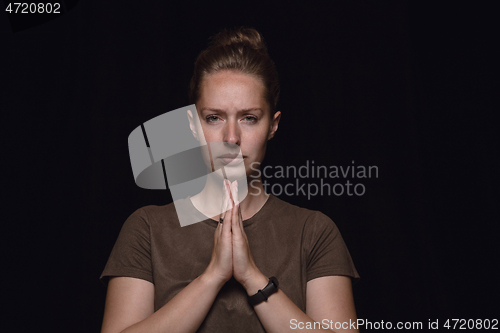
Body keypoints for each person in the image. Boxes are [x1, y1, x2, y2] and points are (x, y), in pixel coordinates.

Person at [100, 26, 360, 333]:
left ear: (273, 125)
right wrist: (213, 277)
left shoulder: (314, 232)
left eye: (249, 117)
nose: (231, 138)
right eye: (214, 117)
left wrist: (252, 277)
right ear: (193, 124)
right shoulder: (146, 229)